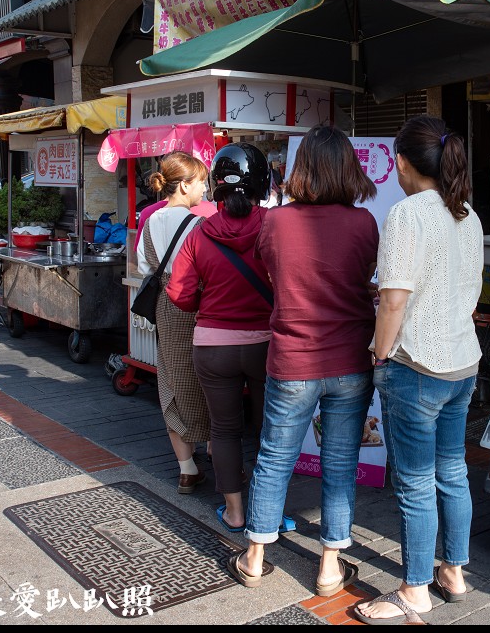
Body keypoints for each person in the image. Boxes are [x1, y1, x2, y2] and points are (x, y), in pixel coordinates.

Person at [226, 125, 379, 600]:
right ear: (348, 169)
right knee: (340, 462)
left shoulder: (275, 222)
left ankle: (254, 557)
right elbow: (363, 275)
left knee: (274, 457)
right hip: (351, 358)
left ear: (301, 168)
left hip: (292, 357)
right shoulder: (365, 224)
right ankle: (330, 565)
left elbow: (271, 267)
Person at [354, 115, 483, 624]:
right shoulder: (467, 214)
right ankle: (453, 571)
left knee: (413, 481)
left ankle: (413, 590)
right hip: (462, 363)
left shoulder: (408, 214)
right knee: (452, 472)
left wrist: (379, 352)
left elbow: (393, 300)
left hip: (416, 367)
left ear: (402, 163)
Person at [166, 143, 274, 536]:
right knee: (270, 431)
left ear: (217, 186)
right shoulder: (274, 227)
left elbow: (179, 295)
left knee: (224, 431)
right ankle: (267, 513)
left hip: (213, 347)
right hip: (267, 346)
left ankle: (234, 513)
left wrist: (207, 301)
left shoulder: (199, 234)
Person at [136, 151, 211, 495]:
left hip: (166, 308)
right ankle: (215, 450)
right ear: (184, 185)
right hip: (197, 307)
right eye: (201, 183)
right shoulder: (200, 224)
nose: (205, 189)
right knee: (207, 381)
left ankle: (186, 468)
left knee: (171, 381)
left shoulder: (150, 220)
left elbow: (143, 267)